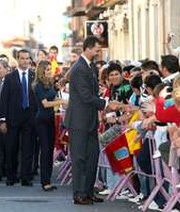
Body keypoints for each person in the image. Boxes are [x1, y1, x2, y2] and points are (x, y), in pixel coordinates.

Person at [64, 36, 117, 205]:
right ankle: (79, 193)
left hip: (90, 120)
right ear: (87, 48)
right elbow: (86, 96)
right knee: (79, 158)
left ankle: (88, 191)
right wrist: (107, 104)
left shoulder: (90, 66)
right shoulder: (79, 68)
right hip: (79, 121)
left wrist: (103, 104)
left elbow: (93, 93)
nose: (97, 51)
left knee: (93, 156)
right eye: (96, 48)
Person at [0, 49, 37, 187]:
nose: (25, 61)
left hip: (29, 118)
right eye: (22, 58)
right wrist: (2, 120)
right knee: (12, 148)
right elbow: (4, 100)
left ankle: (26, 177)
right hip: (13, 118)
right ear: (17, 59)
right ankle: (11, 176)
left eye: (27, 58)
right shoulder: (10, 77)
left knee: (27, 149)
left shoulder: (34, 76)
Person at [33, 60, 66, 191]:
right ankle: (45, 181)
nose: (49, 72)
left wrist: (63, 101)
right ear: (41, 71)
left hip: (50, 119)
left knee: (50, 150)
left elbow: (53, 100)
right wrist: (62, 101)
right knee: (45, 150)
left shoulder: (50, 84)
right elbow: (45, 104)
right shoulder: (38, 85)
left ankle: (48, 179)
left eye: (50, 69)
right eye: (46, 70)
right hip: (41, 120)